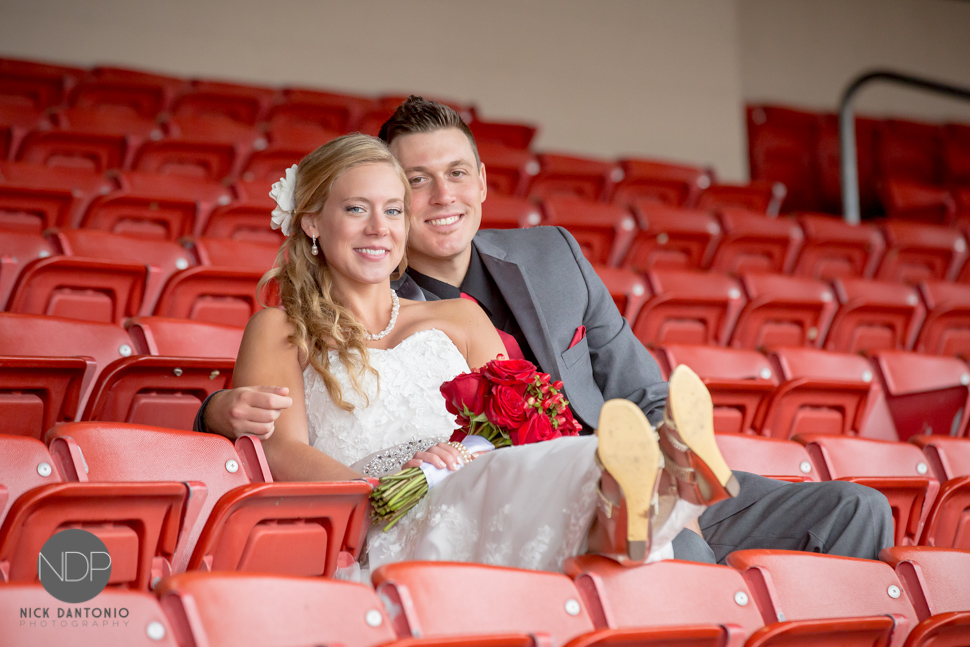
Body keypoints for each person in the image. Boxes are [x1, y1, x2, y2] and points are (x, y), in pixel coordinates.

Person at [200, 97, 893, 564]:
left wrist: (660, 448)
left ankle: (664, 481)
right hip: (508, 491)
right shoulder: (337, 307)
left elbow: (633, 389)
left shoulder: (545, 259)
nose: (440, 197)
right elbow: (288, 431)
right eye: (412, 184)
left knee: (860, 512)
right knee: (665, 546)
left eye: (456, 173)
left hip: (606, 461)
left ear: (481, 182)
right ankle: (640, 503)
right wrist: (217, 412)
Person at [231, 132, 732, 575]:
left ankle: (642, 494)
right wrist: (383, 486)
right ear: (313, 222)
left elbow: (527, 419)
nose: (379, 227)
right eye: (356, 208)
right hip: (381, 515)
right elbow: (280, 450)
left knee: (530, 465)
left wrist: (471, 453)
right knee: (530, 483)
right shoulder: (279, 329)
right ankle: (652, 490)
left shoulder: (461, 318)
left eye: (393, 209)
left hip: (486, 489)